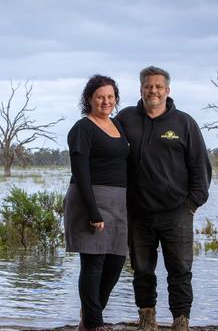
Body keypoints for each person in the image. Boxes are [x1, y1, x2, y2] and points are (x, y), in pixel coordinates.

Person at [116, 66, 212, 331]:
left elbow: (201, 167)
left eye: (159, 86)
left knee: (180, 271)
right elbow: (111, 154)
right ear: (141, 89)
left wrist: (192, 204)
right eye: (148, 86)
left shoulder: (184, 123)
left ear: (167, 90)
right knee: (142, 271)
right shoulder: (125, 119)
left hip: (177, 212)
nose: (153, 91)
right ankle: (148, 321)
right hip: (138, 213)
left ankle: (181, 323)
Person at [64, 74, 130, 331]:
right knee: (93, 264)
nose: (106, 101)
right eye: (100, 97)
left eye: (110, 97)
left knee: (115, 263)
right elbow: (80, 172)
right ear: (89, 99)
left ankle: (88, 319)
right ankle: (94, 324)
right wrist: (93, 212)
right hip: (89, 200)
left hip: (119, 203)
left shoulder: (118, 126)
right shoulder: (83, 128)